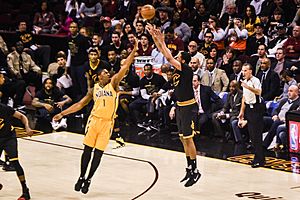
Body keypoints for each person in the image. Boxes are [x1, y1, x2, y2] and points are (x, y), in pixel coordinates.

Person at [53, 37, 138, 194]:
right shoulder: (93, 90)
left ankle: (89, 179)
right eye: (105, 72)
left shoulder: (114, 83)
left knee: (98, 154)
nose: (108, 72)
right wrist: (62, 113)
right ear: (100, 77)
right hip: (94, 122)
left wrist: (134, 50)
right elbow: (79, 105)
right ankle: (81, 176)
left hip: (107, 123)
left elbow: (125, 66)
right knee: (87, 151)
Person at [146, 24, 201, 187]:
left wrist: (161, 39)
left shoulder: (186, 70)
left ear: (183, 60)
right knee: (183, 139)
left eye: (178, 56)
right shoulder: (177, 71)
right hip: (180, 106)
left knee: (189, 139)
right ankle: (189, 167)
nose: (175, 57)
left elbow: (169, 57)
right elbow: (165, 55)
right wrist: (156, 38)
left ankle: (195, 170)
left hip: (189, 107)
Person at [0, 102, 33, 200]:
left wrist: (27, 127)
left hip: (9, 137)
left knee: (15, 162)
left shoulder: (4, 108)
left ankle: (25, 191)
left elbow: (22, 116)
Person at [238, 63, 265, 168]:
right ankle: (257, 158)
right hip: (249, 108)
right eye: (242, 71)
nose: (243, 73)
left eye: (245, 70)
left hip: (257, 108)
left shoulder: (256, 80)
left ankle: (260, 159)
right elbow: (244, 98)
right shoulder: (244, 82)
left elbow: (259, 92)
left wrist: (248, 87)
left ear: (250, 71)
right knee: (252, 135)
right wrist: (242, 112)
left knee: (256, 135)